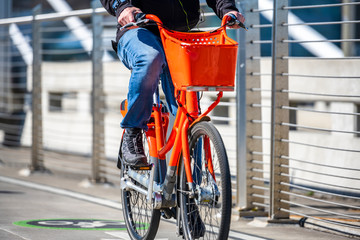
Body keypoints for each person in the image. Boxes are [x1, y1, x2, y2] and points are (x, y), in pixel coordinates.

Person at [100, 0, 245, 167]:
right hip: (138, 29)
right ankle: (132, 132)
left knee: (189, 119)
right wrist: (122, 6)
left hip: (180, 35)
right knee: (150, 58)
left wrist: (228, 10)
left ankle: (192, 186)